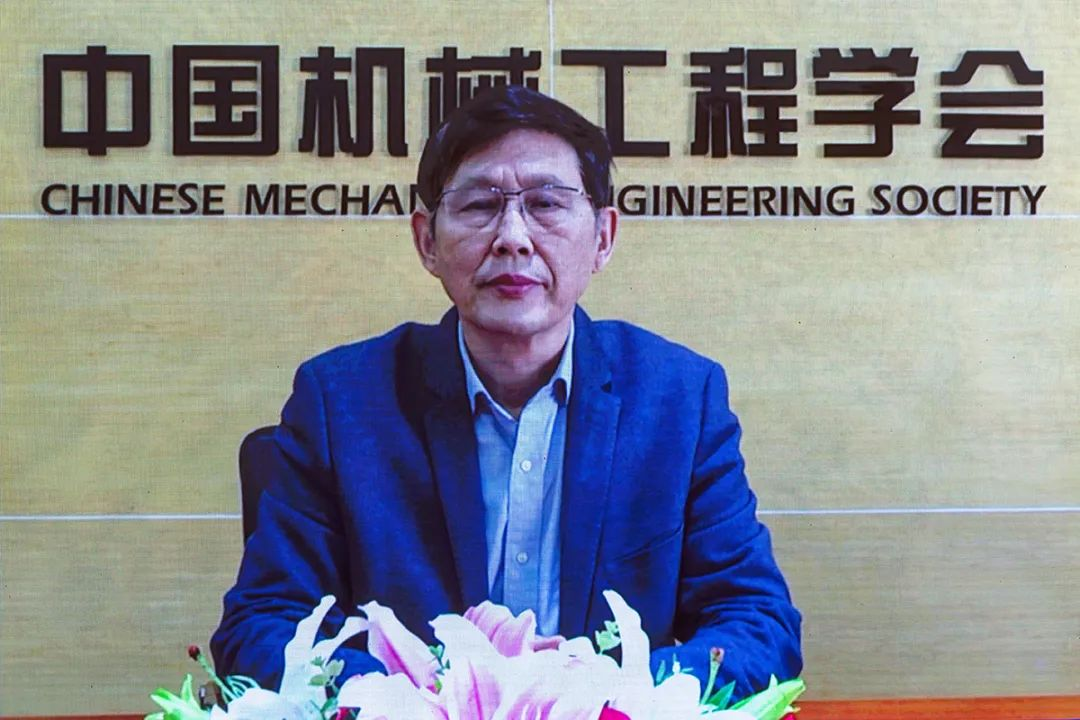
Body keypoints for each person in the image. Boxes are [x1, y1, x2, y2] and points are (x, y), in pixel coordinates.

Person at [211, 85, 801, 701]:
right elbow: (261, 626)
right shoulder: (342, 402)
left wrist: (594, 697)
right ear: (427, 241)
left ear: (602, 237)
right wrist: (423, 702)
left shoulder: (679, 400)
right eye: (479, 206)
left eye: (546, 203)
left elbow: (758, 625)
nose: (513, 237)